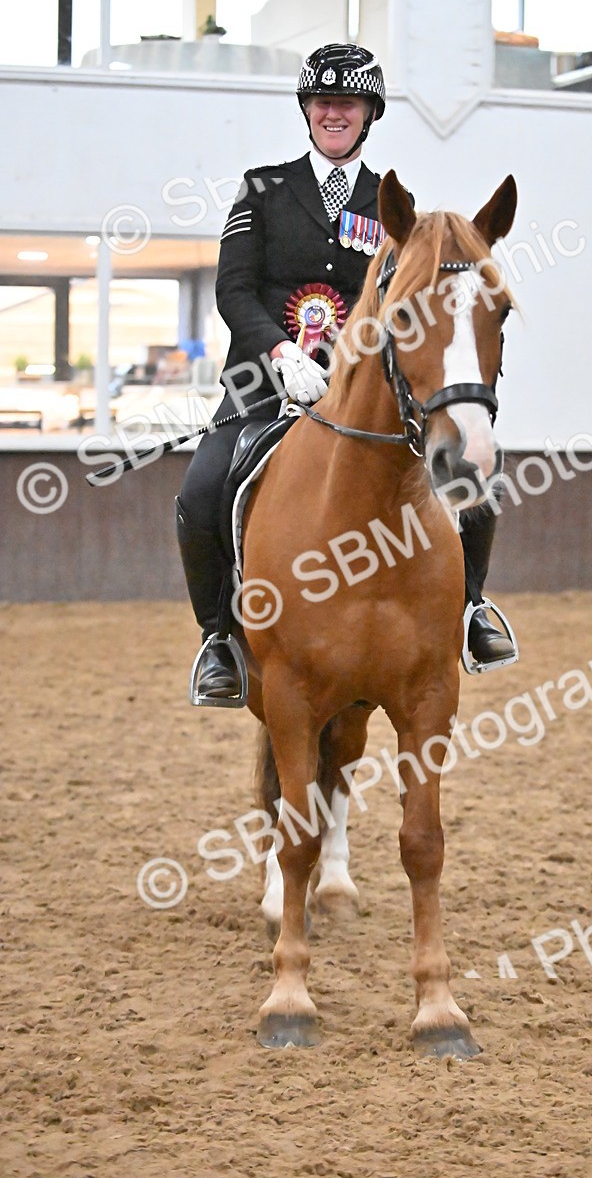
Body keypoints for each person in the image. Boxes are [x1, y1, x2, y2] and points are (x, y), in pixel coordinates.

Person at [176, 43, 515, 706]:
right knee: (200, 491)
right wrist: (282, 352)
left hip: (365, 398)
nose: (335, 113)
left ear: (368, 115)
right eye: (324, 102)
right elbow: (234, 290)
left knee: (471, 485)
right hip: (263, 390)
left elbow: (415, 306)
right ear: (308, 110)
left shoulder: (393, 205)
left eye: (348, 103)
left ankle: (471, 612)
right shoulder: (263, 189)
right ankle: (219, 638)